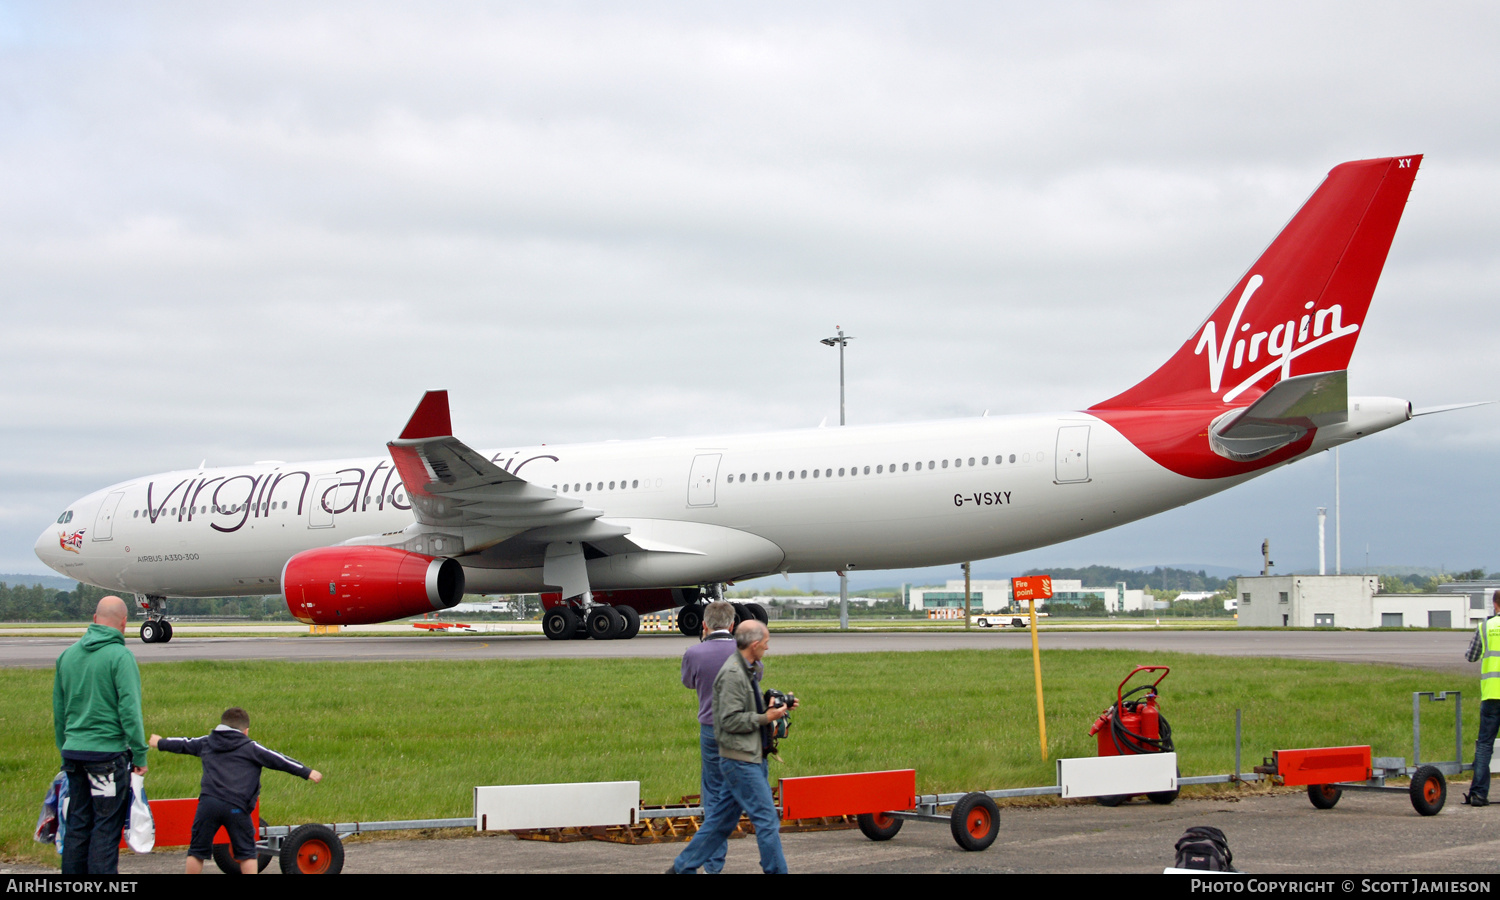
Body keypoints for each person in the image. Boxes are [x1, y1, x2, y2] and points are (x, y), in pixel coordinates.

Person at [669, 619, 797, 874]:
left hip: (749, 756)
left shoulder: (746, 668)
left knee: (720, 823)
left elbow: (741, 707)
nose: (768, 649)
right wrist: (766, 718)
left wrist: (770, 703)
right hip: (741, 760)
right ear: (754, 643)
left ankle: (681, 868)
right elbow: (728, 720)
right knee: (767, 820)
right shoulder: (733, 674)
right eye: (766, 643)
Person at [150, 707, 322, 874]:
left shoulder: (207, 742)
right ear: (245, 730)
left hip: (208, 804)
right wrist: (307, 772)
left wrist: (160, 742)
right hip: (237, 806)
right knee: (247, 852)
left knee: (197, 851)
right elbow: (279, 760)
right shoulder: (251, 747)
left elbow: (183, 743)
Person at [53, 595, 148, 874]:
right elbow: (129, 712)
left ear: (94, 620)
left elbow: (59, 714)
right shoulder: (120, 657)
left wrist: (65, 747)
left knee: (77, 824)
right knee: (105, 827)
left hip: (73, 754)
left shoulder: (66, 656)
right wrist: (139, 754)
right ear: (124, 624)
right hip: (106, 756)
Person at [677, 600, 738, 874]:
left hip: (711, 728)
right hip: (742, 730)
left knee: (713, 794)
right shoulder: (745, 651)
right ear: (733, 624)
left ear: (704, 625)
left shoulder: (694, 652)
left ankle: (714, 864)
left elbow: (689, 682)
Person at [1465, 589, 1500, 806]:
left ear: (1495, 604)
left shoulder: (1485, 627)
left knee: (1485, 744)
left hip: (1491, 695)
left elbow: (1471, 656)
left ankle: (1478, 794)